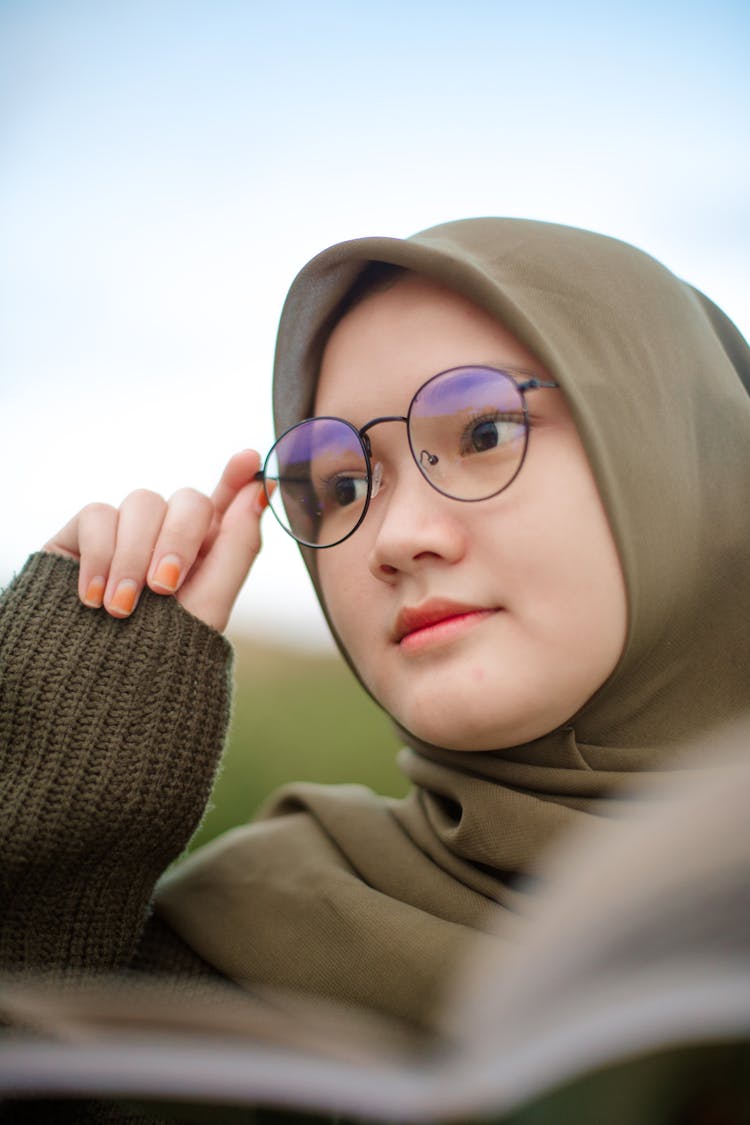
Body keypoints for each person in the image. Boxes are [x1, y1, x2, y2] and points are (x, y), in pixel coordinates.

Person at [1, 218, 749, 1080]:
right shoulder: (237, 947)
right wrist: (53, 814)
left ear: (687, 459)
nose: (394, 537)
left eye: (482, 434)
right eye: (345, 486)